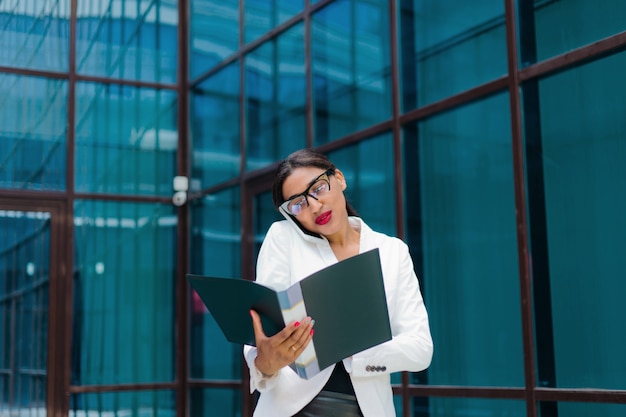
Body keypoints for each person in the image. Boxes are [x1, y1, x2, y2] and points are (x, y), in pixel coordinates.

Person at [243, 148, 433, 417]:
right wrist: (265, 363)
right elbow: (263, 328)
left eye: (318, 189)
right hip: (292, 408)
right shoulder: (283, 238)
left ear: (339, 179)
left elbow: (420, 349)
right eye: (298, 204)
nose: (314, 206)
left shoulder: (391, 251)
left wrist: (356, 353)